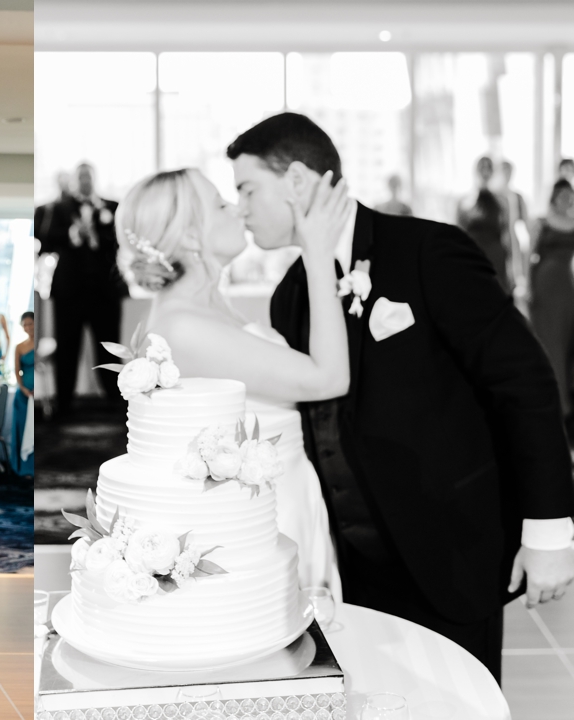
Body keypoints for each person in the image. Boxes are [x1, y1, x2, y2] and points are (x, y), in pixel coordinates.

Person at [228, 111, 574, 684]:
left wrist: (548, 530)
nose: (240, 208)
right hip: (353, 572)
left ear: (296, 181)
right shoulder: (289, 296)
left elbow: (524, 381)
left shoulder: (427, 250)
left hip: (453, 550)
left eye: (247, 189)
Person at [115, 168, 349, 596]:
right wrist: (318, 254)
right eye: (221, 204)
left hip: (290, 488)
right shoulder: (183, 327)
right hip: (264, 516)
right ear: (189, 237)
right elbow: (328, 378)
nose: (238, 209)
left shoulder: (204, 305)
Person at [34, 161, 127, 417]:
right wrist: (74, 234)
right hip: (69, 292)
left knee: (109, 347)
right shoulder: (58, 208)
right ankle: (64, 405)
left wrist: (98, 231)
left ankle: (115, 404)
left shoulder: (111, 207)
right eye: (81, 176)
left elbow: (122, 239)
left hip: (104, 293)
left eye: (88, 176)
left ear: (94, 179)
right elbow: (45, 238)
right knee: (66, 348)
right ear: (75, 180)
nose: (85, 181)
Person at [529, 179, 574, 429]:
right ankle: (553, 401)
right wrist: (528, 287)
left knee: (566, 344)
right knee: (549, 343)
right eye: (564, 195)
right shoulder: (542, 222)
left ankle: (566, 403)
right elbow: (529, 257)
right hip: (545, 285)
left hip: (567, 288)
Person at [456, 156, 513, 295]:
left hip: (495, 255)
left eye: (489, 168)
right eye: (482, 167)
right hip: (473, 254)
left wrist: (512, 268)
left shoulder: (502, 201)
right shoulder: (465, 201)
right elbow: (458, 233)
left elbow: (507, 234)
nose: (485, 171)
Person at [493, 160, 531, 297]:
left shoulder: (517, 197)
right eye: (503, 171)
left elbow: (526, 225)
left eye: (508, 171)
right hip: (495, 244)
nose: (506, 175)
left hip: (512, 242)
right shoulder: (491, 197)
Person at [11, 311, 35, 478]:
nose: (27, 327)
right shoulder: (19, 346)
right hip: (23, 394)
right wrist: (22, 388)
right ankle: (23, 467)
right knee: (22, 428)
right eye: (24, 324)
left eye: (30, 323)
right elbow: (17, 371)